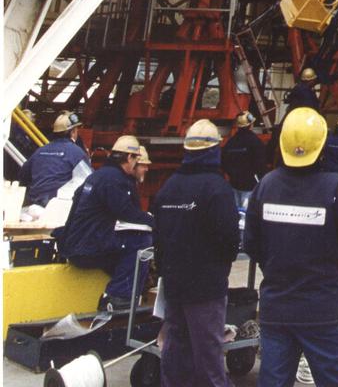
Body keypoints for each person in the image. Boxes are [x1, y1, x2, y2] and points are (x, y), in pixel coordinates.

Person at [243, 107, 338, 387]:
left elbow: (251, 243)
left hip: (277, 308)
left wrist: (275, 268)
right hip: (321, 309)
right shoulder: (337, 188)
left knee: (273, 381)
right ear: (321, 145)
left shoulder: (266, 186)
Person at [153, 118, 240, 387]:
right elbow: (230, 242)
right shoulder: (218, 189)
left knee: (176, 350)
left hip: (174, 285)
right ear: (215, 150)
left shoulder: (168, 188)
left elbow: (159, 240)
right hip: (206, 288)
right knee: (208, 356)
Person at [55, 133, 153, 310]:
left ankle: (131, 288)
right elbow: (126, 212)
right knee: (141, 243)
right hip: (87, 248)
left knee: (127, 245)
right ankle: (118, 297)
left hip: (75, 245)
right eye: (136, 159)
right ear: (130, 158)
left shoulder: (99, 175)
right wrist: (155, 221)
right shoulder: (115, 180)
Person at [18, 111, 89, 210]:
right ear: (73, 132)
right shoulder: (77, 153)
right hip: (59, 208)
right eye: (76, 130)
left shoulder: (39, 151)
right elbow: (89, 181)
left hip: (33, 205)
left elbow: (23, 176)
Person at [221, 111, 268, 212]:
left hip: (234, 185)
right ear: (251, 125)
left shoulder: (231, 142)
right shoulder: (256, 142)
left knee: (235, 213)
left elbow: (224, 162)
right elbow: (261, 166)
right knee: (247, 216)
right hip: (250, 186)